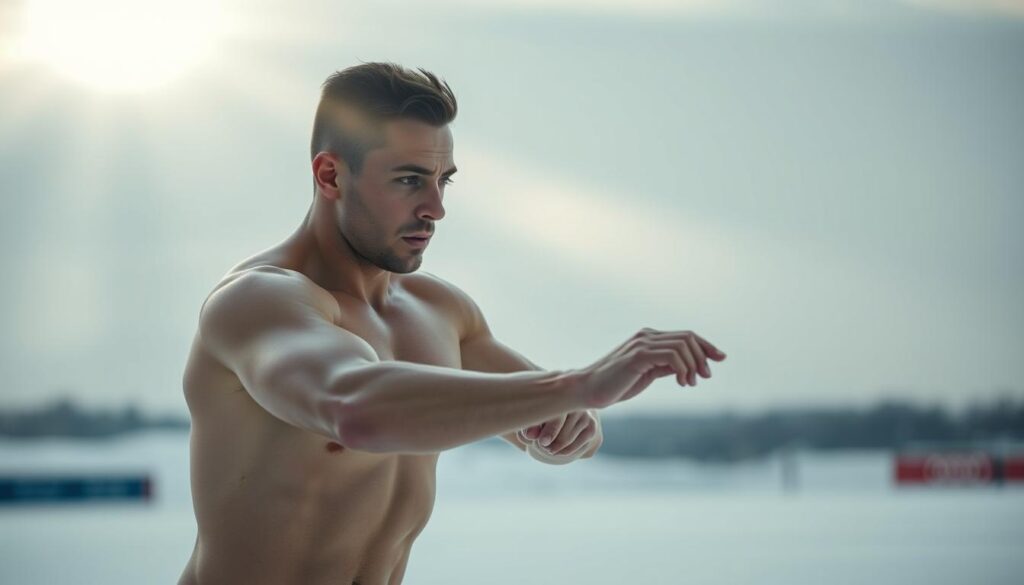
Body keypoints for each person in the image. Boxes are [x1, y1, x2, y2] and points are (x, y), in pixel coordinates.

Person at [176, 61, 727, 585]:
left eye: (445, 180)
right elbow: (354, 408)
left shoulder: (439, 311)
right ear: (330, 175)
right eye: (410, 180)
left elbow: (561, 421)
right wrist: (577, 385)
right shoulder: (258, 302)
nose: (436, 207)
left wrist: (569, 424)